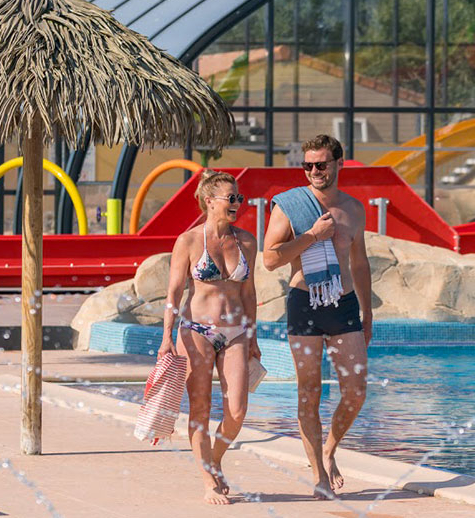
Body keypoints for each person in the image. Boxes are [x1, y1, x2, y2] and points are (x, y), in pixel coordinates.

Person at [262, 134, 372, 500]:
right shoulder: (290, 206)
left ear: (339, 163)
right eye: (307, 165)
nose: (314, 171)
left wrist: (368, 312)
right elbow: (270, 258)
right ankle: (318, 474)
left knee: (355, 391)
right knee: (308, 392)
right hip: (304, 304)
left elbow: (359, 263)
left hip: (344, 305)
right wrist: (312, 234)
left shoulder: (354, 209)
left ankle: (330, 448)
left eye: (321, 164)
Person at [158, 170, 261, 505]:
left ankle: (215, 459)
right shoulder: (188, 241)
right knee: (200, 409)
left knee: (238, 410)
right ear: (209, 201)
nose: (237, 204)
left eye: (238, 198)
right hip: (197, 332)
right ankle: (208, 481)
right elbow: (174, 293)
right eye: (231, 198)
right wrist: (166, 337)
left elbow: (249, 294)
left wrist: (253, 336)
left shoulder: (247, 242)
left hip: (235, 333)